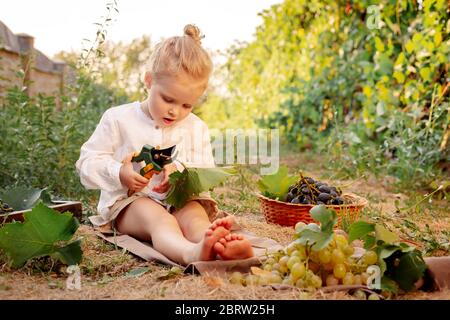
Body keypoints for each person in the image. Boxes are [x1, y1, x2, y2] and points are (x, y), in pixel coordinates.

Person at [76, 24, 254, 265]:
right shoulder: (118, 118)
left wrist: (181, 171)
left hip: (178, 199)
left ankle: (214, 244)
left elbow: (204, 171)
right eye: (168, 99)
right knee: (161, 220)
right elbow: (86, 163)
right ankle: (189, 253)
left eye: (187, 105)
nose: (175, 111)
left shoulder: (196, 127)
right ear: (149, 81)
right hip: (130, 204)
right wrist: (120, 172)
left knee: (195, 218)